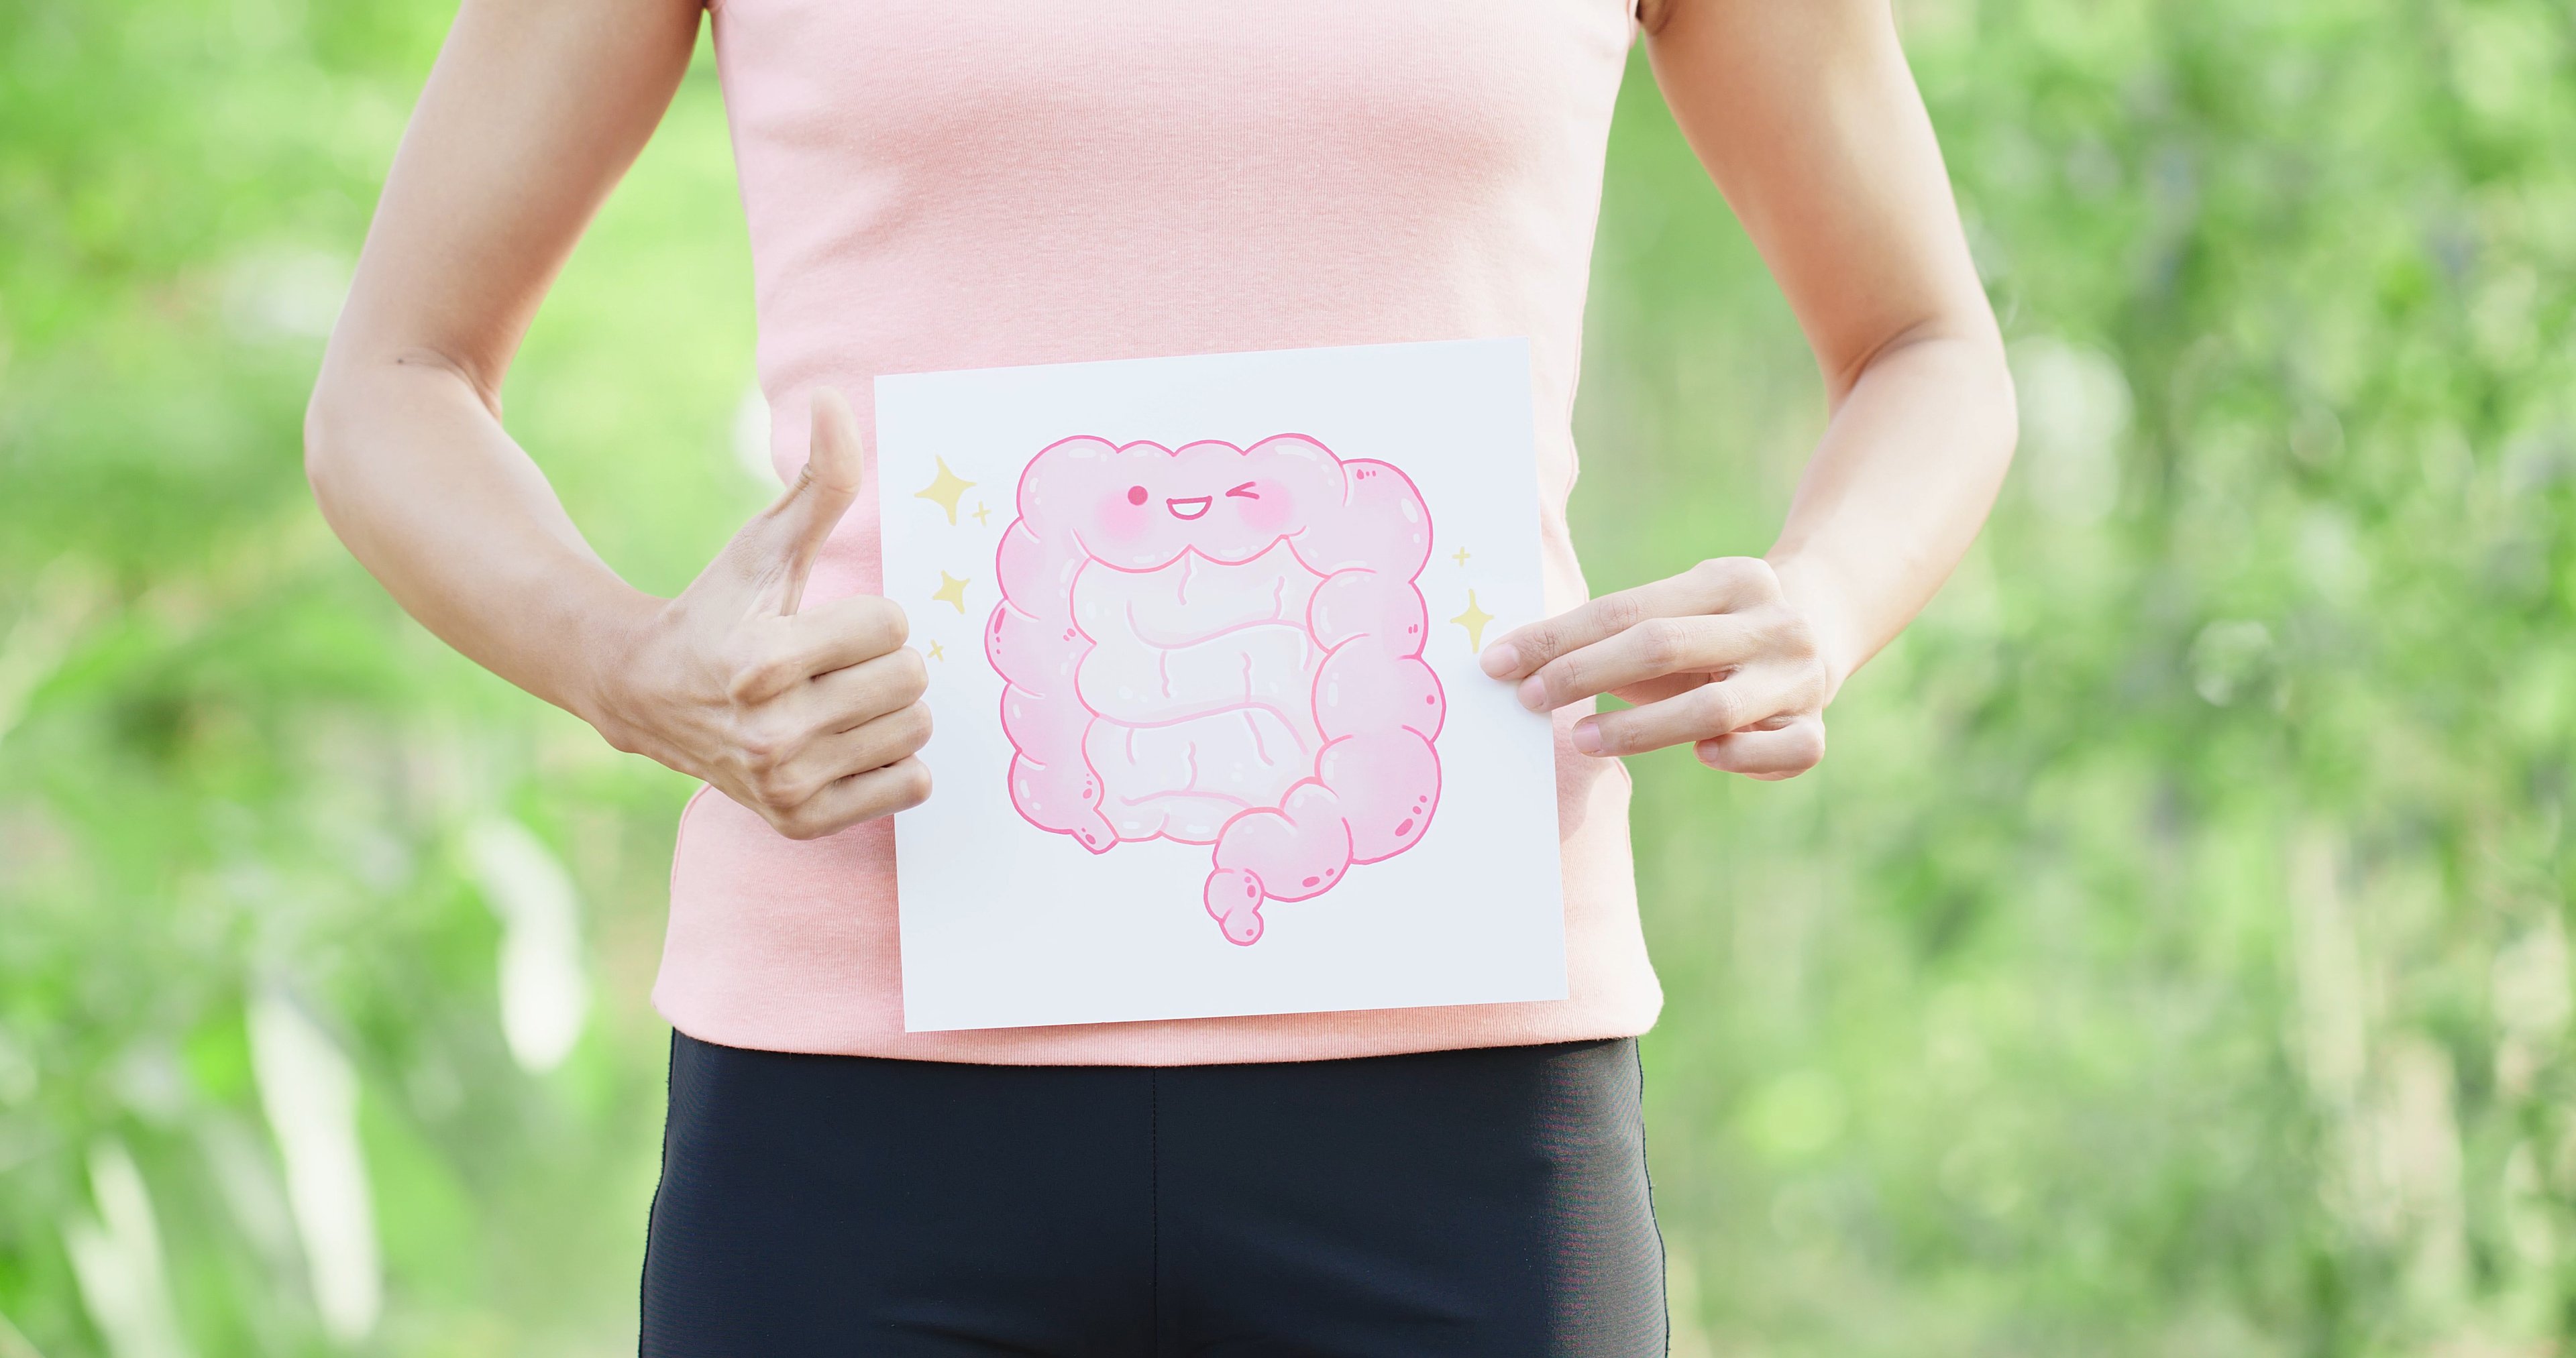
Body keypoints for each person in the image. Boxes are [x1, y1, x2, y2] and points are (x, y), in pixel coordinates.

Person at [304, 0, 2016, 1351]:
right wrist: (624, 660)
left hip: (1466, 1107)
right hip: (854, 1103)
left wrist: (1825, 597)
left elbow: (1927, 345)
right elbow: (393, 376)